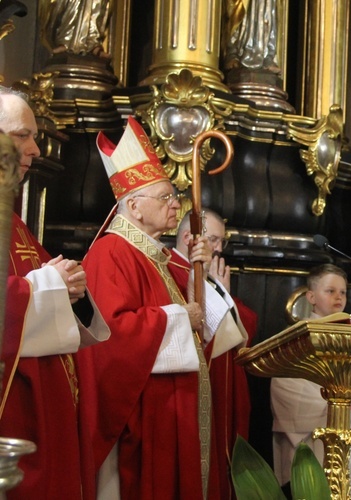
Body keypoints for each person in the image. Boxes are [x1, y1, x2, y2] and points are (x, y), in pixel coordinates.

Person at [80, 116, 222, 499]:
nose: (176, 204)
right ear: (135, 206)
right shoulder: (112, 252)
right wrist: (180, 319)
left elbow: (203, 318)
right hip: (144, 413)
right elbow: (112, 334)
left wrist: (200, 272)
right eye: (166, 197)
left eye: (175, 196)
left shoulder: (156, 255)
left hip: (169, 407)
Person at [0, 87, 110, 499]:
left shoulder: (14, 222)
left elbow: (46, 282)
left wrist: (72, 287)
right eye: (20, 135)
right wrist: (51, 285)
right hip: (14, 413)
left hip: (44, 409)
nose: (33, 148)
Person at [270, 263, 351, 498]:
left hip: (347, 430)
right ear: (311, 297)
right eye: (330, 291)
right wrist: (339, 404)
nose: (338, 297)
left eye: (343, 292)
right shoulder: (298, 336)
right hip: (312, 435)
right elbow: (284, 384)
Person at [173, 209, 258, 499]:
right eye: (213, 239)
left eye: (222, 241)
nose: (220, 248)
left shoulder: (205, 272)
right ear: (188, 238)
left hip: (222, 381)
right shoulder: (172, 269)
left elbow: (244, 326)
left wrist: (222, 292)